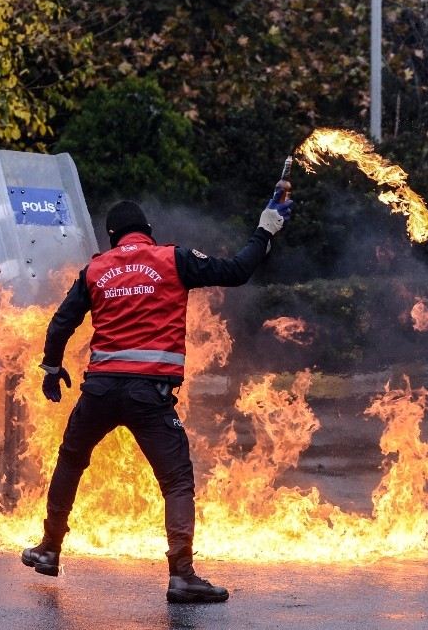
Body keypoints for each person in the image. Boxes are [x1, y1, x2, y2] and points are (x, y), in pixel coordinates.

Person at [21, 197, 292, 604]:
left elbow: (62, 321)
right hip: (149, 394)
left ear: (111, 238)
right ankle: (182, 575)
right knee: (177, 480)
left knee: (71, 460)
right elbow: (236, 270)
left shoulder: (95, 269)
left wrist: (51, 367)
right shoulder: (173, 260)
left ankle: (48, 548)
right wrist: (264, 230)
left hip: (99, 390)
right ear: (148, 231)